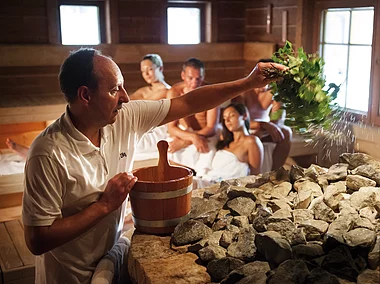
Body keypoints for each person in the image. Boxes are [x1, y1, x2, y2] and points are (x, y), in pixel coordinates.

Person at [21, 47, 286, 284]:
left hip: (113, 260)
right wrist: (104, 205)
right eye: (115, 89)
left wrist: (248, 82)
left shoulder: (125, 117)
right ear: (85, 95)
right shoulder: (48, 153)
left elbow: (189, 102)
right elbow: (37, 239)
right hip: (69, 275)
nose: (125, 97)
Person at [233, 58, 292, 170]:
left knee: (286, 132)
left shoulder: (274, 92)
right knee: (253, 137)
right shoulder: (243, 90)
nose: (265, 84)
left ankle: (275, 173)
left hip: (264, 130)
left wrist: (265, 128)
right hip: (245, 128)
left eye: (269, 80)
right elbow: (237, 120)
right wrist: (262, 125)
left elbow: (277, 120)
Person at [166, 58, 220, 175]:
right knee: (168, 153)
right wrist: (191, 137)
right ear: (183, 75)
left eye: (198, 78)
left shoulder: (212, 93)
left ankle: (198, 179)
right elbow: (171, 127)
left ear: (203, 76)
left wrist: (187, 141)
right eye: (190, 78)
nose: (194, 83)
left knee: (206, 154)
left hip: (205, 134)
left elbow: (211, 128)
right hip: (184, 132)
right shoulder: (175, 92)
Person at [194, 103, 263, 188]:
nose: (227, 120)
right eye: (225, 118)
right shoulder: (224, 142)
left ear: (244, 116)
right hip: (209, 181)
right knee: (187, 182)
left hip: (227, 187)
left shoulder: (251, 141)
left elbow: (255, 175)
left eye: (232, 116)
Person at [129, 54, 171, 160]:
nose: (146, 74)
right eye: (143, 71)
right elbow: (125, 103)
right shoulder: (144, 90)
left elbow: (141, 107)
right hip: (141, 124)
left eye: (150, 69)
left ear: (160, 68)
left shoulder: (168, 91)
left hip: (156, 128)